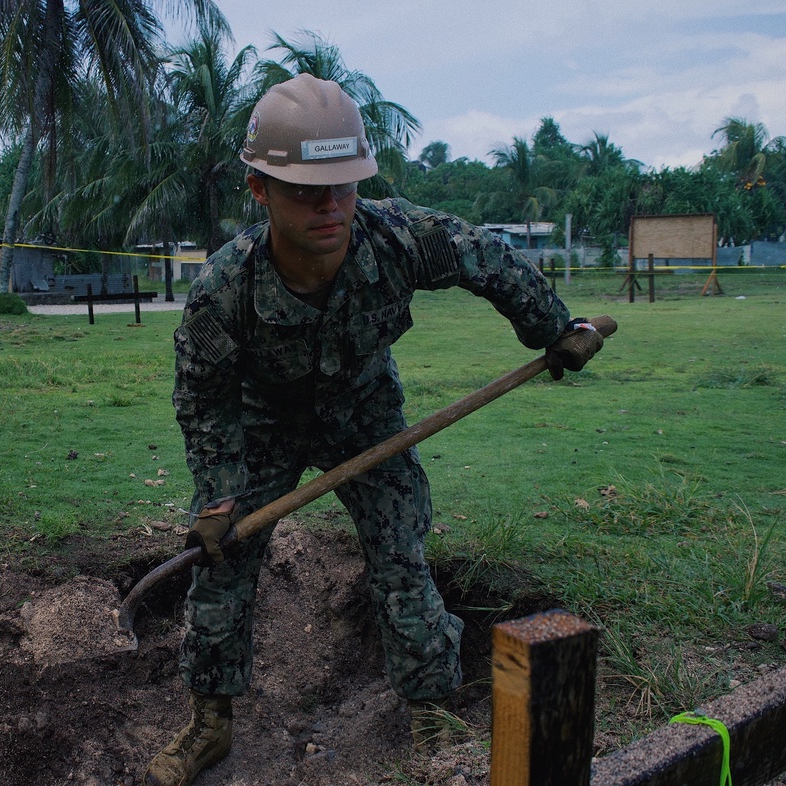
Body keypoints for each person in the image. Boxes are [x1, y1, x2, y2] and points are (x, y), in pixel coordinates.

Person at [143, 73, 603, 786]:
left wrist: (555, 329)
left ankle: (430, 711)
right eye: (306, 190)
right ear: (260, 189)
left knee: (399, 556)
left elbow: (485, 257)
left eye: (345, 185)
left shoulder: (397, 238)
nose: (330, 205)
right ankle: (210, 724)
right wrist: (218, 496)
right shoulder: (225, 289)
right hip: (265, 426)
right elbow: (203, 398)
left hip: (365, 414)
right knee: (223, 564)